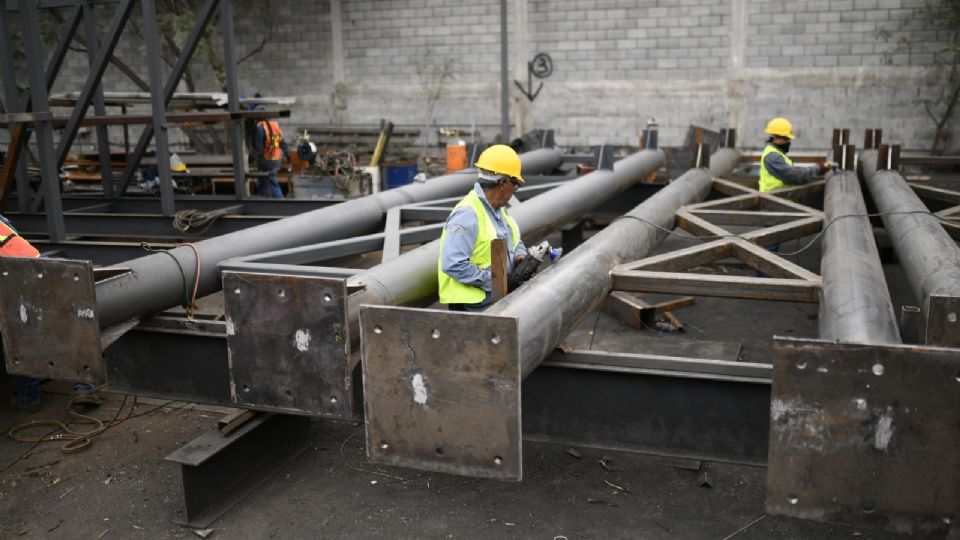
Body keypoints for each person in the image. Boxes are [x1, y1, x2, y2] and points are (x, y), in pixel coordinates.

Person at [438, 144, 527, 312]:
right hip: (472, 312)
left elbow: (514, 241)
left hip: (495, 303)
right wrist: (498, 281)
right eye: (514, 185)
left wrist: (520, 257)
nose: (513, 191)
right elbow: (453, 264)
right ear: (502, 183)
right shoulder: (467, 214)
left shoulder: (498, 211)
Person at [759, 117, 830, 193]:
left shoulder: (776, 152)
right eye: (786, 139)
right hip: (772, 202)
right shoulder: (773, 156)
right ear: (776, 138)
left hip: (779, 199)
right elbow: (794, 175)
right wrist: (817, 169)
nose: (788, 142)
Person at [252, 108, 289, 198]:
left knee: (271, 181)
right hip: (275, 158)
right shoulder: (274, 125)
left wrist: (253, 158)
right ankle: (264, 201)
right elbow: (282, 142)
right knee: (262, 181)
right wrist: (287, 154)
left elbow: (258, 147)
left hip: (266, 159)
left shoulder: (260, 127)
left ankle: (280, 203)